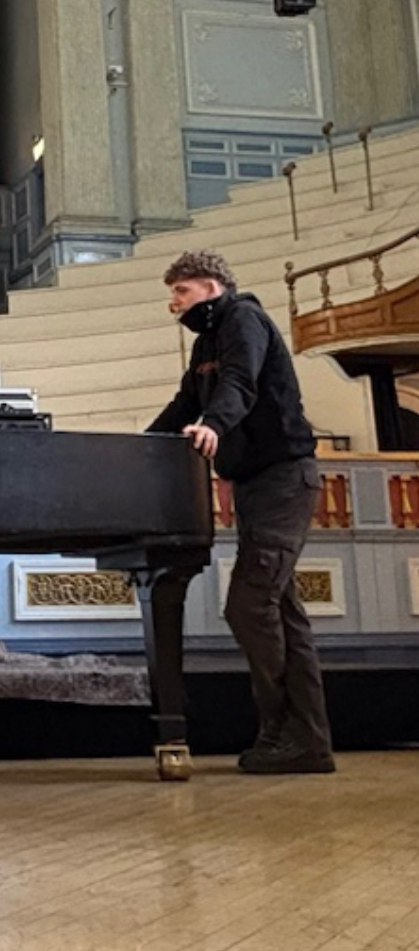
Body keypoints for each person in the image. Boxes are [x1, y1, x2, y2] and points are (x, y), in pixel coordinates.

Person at [147, 248, 334, 775]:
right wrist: (136, 449)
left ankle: (283, 730)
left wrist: (215, 424)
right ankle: (309, 741)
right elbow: (186, 401)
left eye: (179, 292)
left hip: (283, 480)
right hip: (255, 486)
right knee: (282, 614)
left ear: (210, 286)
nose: (173, 305)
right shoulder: (207, 341)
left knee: (248, 606)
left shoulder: (244, 319)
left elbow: (241, 384)